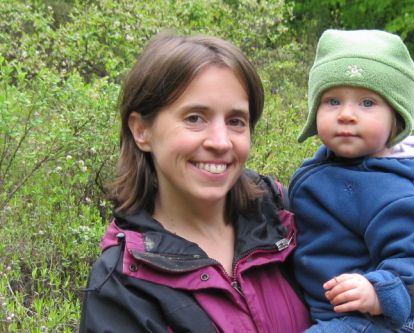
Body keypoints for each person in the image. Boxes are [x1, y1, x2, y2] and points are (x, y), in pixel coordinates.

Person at [79, 32, 311, 332]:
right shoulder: (122, 288)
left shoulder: (285, 216)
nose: (220, 141)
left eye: (235, 121)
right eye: (194, 118)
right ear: (141, 131)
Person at [290, 29, 414, 333]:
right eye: (332, 101)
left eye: (367, 103)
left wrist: (378, 291)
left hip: (377, 318)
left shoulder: (400, 192)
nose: (347, 115)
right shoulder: (326, 166)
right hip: (333, 311)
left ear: (397, 118)